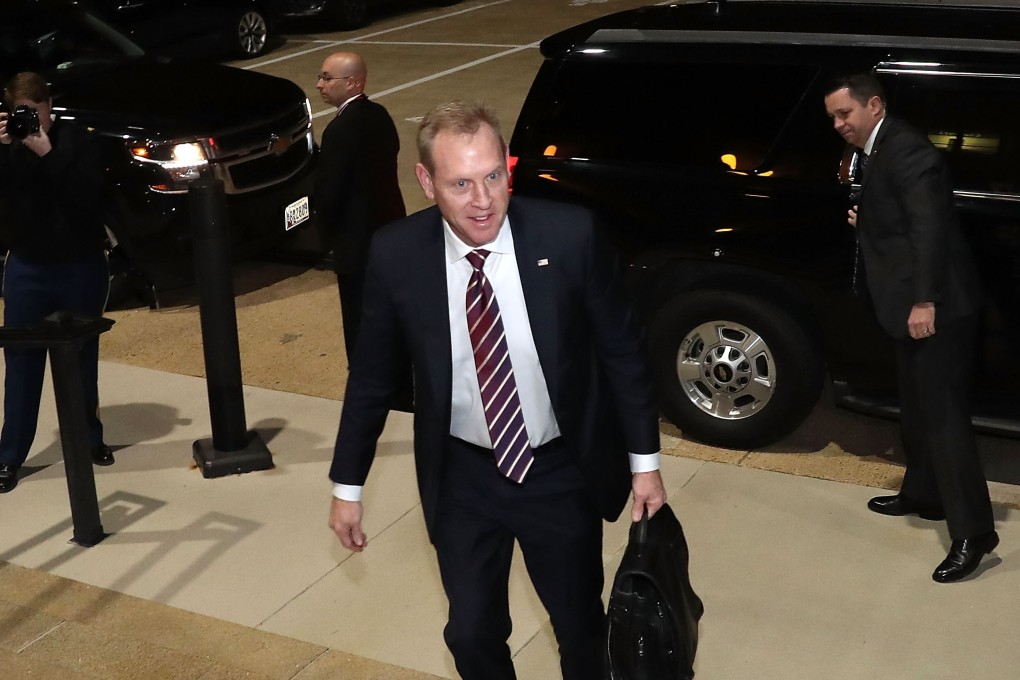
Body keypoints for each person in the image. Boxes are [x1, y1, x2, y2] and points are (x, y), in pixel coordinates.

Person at [327, 100, 667, 679]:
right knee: (471, 632)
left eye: (493, 176)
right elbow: (372, 378)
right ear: (426, 182)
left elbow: (622, 351)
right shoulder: (397, 255)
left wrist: (645, 461)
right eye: (461, 184)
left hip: (557, 470)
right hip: (462, 475)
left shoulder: (569, 236)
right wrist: (347, 484)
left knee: (580, 625)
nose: (483, 200)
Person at [823, 73, 996, 583]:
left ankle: (975, 532)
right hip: (906, 305)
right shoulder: (880, 148)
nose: (838, 125)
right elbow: (900, 218)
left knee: (943, 419)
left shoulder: (909, 152)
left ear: (873, 105)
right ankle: (924, 495)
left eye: (844, 114)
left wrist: (925, 301)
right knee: (917, 406)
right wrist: (869, 221)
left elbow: (931, 230)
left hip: (936, 309)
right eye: (833, 117)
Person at [0, 72, 114, 494]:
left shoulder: (78, 141)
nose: (28, 119)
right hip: (27, 267)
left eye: (34, 111)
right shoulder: (7, 146)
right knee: (21, 365)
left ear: (49, 106)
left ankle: (88, 440)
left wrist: (47, 153)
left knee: (81, 361)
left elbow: (87, 197)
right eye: (19, 113)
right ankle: (10, 455)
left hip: (79, 266)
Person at [313, 51, 406, 361]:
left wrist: (322, 237)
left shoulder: (339, 130)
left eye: (327, 77)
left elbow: (331, 192)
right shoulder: (379, 114)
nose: (319, 84)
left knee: (359, 319)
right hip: (389, 230)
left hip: (355, 243)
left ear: (352, 83)